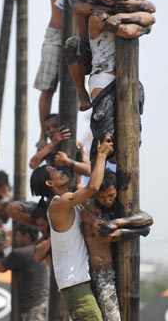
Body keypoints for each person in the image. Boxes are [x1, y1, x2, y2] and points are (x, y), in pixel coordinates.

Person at [34, 0, 101, 149]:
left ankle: (66, 130)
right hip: (54, 34)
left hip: (77, 34)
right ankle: (43, 134)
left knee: (74, 86)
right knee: (47, 86)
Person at [30, 136, 114, 320]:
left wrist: (84, 155)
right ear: (49, 183)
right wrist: (102, 155)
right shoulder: (58, 204)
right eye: (55, 172)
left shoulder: (70, 203)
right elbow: (92, 187)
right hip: (75, 284)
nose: (61, 172)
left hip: (79, 281)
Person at [84, 0, 156, 161]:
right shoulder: (97, 16)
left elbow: (152, 14)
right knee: (108, 140)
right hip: (103, 78)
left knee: (131, 135)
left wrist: (129, 11)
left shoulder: (122, 5)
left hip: (126, 77)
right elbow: (129, 32)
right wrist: (144, 26)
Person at [82, 168, 153, 320]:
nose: (107, 201)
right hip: (100, 272)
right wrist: (139, 230)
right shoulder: (90, 209)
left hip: (121, 268)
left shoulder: (121, 206)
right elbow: (109, 235)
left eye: (111, 195)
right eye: (102, 198)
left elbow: (147, 219)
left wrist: (118, 222)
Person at [65, 0, 104, 111]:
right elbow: (79, 8)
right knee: (71, 45)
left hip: (108, 47)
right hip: (87, 50)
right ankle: (82, 95)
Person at [0, 223, 48, 321]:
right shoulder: (40, 248)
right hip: (42, 303)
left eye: (17, 235)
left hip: (30, 306)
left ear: (27, 236)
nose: (16, 238)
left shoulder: (19, 253)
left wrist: (1, 248)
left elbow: (0, 268)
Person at [29, 113, 91, 184]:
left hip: (75, 189)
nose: (51, 130)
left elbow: (89, 171)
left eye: (55, 126)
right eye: (47, 129)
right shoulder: (47, 149)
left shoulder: (78, 146)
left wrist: (68, 161)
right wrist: (53, 144)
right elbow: (32, 164)